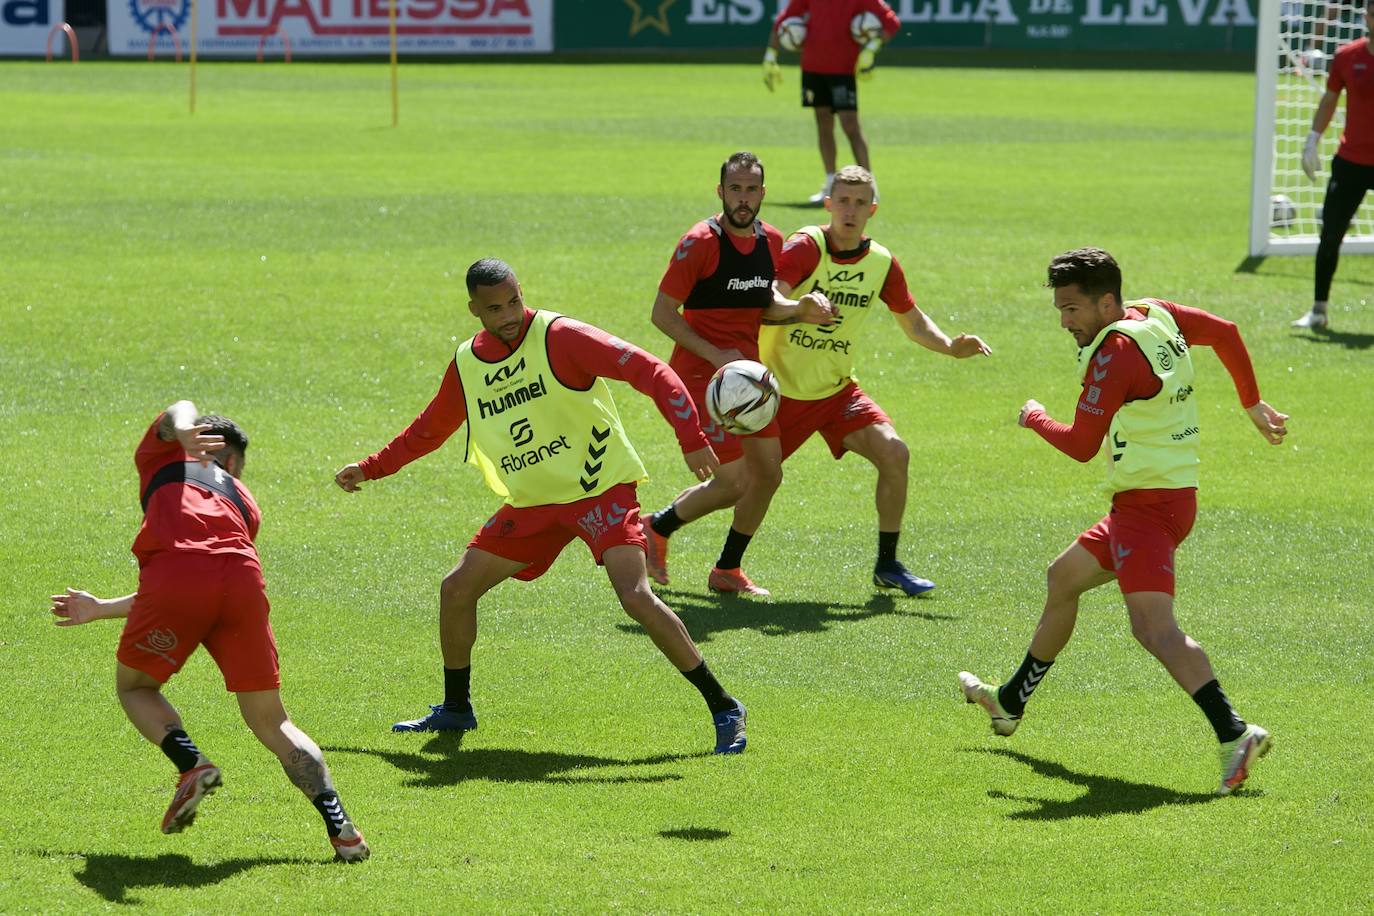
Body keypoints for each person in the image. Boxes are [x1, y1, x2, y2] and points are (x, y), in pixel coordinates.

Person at [333, 258, 750, 754]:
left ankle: (724, 706)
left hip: (601, 492)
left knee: (635, 596)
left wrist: (691, 435)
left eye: (513, 301)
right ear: (474, 310)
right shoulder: (468, 364)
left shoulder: (561, 336)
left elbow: (650, 370)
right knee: (456, 589)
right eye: (495, 308)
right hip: (534, 504)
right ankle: (456, 708)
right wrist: (370, 467)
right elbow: (428, 431)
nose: (509, 314)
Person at [958, 248, 1289, 796]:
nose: (1064, 321)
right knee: (1063, 578)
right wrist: (1250, 402)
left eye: (1071, 309)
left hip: (1147, 511)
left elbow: (1082, 445)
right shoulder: (1155, 313)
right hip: (1163, 499)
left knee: (1152, 627)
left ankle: (1235, 732)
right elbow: (1227, 332)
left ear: (1105, 302)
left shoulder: (1114, 355)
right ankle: (1010, 701)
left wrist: (1034, 417)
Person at [50, 400, 368, 861]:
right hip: (242, 582)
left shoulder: (161, 456)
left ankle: (190, 763)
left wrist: (179, 431)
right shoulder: (244, 499)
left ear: (193, 439)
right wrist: (101, 609)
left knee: (136, 686)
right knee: (273, 721)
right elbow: (210, 576)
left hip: (178, 579)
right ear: (234, 462)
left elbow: (182, 582)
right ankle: (344, 833)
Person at [761, 165, 991, 596]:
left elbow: (912, 318)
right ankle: (662, 528)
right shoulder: (808, 246)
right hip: (780, 391)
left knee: (894, 453)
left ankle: (888, 564)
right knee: (738, 485)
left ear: (873, 209)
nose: (850, 210)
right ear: (828, 203)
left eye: (859, 203)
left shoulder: (882, 262)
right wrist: (798, 308)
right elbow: (769, 301)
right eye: (842, 200)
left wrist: (949, 346)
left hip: (835, 390)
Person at [643, 151, 834, 597]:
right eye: (735, 189)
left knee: (768, 473)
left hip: (747, 379)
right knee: (733, 482)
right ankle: (655, 527)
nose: (743, 199)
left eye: (751, 190)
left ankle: (727, 570)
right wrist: (716, 354)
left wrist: (799, 310)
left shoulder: (771, 240)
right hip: (700, 377)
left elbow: (765, 304)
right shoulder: (700, 242)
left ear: (763, 194)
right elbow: (662, 314)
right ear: (721, 192)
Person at [763, 0, 901, 204]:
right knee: (823, 125)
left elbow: (891, 22)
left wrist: (871, 49)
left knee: (850, 126)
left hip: (843, 69)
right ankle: (830, 184)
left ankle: (870, 186)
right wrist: (770, 54)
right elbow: (784, 19)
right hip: (812, 67)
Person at [1295, 0, 1374, 330]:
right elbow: (1330, 98)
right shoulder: (1347, 56)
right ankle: (1318, 309)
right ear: (1367, 16)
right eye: (1373, 12)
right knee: (1330, 235)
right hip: (1351, 162)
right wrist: (1313, 137)